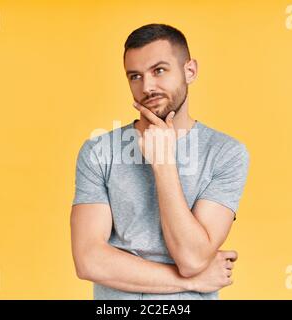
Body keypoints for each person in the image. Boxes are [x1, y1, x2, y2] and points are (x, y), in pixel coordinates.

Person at [70, 23, 250, 300]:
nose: (147, 86)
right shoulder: (98, 151)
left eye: (159, 70)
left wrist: (163, 162)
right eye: (135, 76)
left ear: (189, 71)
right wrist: (194, 281)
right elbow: (89, 260)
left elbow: (191, 257)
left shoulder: (226, 153)